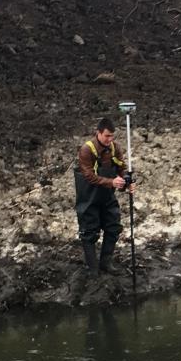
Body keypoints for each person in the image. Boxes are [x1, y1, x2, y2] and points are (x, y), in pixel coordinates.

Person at [74, 117, 134, 276]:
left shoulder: (115, 148)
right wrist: (111, 182)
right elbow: (89, 176)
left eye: (112, 136)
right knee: (89, 232)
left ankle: (106, 263)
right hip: (89, 198)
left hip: (107, 196)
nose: (110, 139)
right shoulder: (86, 150)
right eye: (107, 136)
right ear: (98, 133)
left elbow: (122, 167)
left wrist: (127, 182)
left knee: (113, 227)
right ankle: (93, 268)